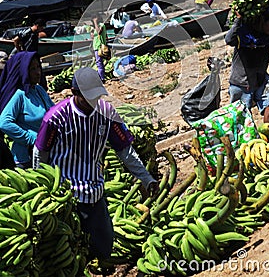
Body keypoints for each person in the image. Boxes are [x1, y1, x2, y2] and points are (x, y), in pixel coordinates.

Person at [32, 67, 159, 263]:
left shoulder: (106, 113)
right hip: (66, 196)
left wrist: (146, 178)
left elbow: (125, 150)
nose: (93, 102)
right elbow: (40, 154)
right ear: (74, 93)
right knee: (73, 251)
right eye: (87, 97)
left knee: (104, 243)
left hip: (95, 191)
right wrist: (42, 189)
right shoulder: (56, 117)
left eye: (96, 96)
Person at [225, 0, 269, 125]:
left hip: (260, 79)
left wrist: (268, 1)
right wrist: (238, 20)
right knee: (242, 116)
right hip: (241, 82)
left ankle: (267, 134)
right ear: (262, 21)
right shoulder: (244, 33)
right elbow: (228, 39)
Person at [0, 51, 54, 168]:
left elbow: (54, 112)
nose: (38, 72)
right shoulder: (19, 95)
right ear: (24, 71)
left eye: (38, 67)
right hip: (25, 158)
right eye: (32, 69)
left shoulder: (39, 90)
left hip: (44, 153)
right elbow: (4, 123)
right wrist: (32, 138)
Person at [91, 15, 108, 82]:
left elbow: (99, 32)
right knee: (99, 62)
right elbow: (92, 36)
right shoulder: (94, 27)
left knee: (99, 62)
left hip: (100, 46)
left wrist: (95, 22)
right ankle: (102, 76)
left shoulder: (101, 25)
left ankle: (101, 78)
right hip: (96, 46)